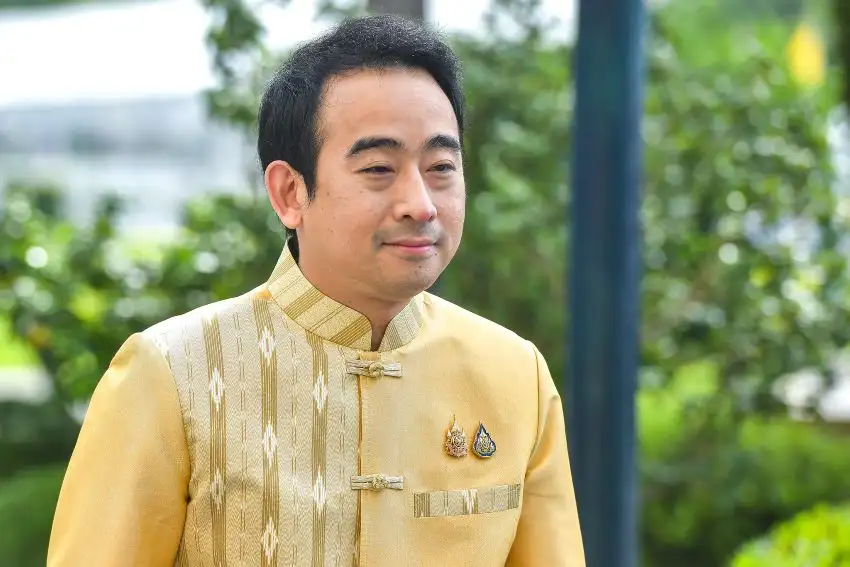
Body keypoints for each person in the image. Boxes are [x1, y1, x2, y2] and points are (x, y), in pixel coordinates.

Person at [46, 14, 585, 567]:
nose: (420, 204)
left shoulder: (515, 375)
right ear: (289, 192)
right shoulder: (170, 373)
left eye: (441, 166)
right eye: (379, 168)